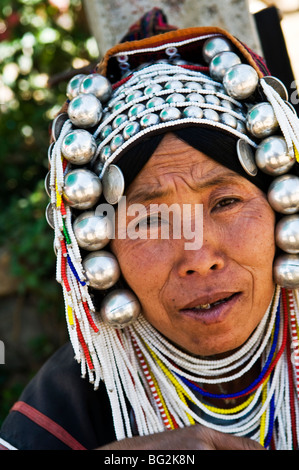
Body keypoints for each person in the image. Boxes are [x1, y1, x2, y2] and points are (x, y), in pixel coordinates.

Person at [1, 9, 299, 451]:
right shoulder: (65, 406)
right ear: (99, 244)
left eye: (226, 203)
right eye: (149, 221)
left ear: (282, 204)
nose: (199, 258)